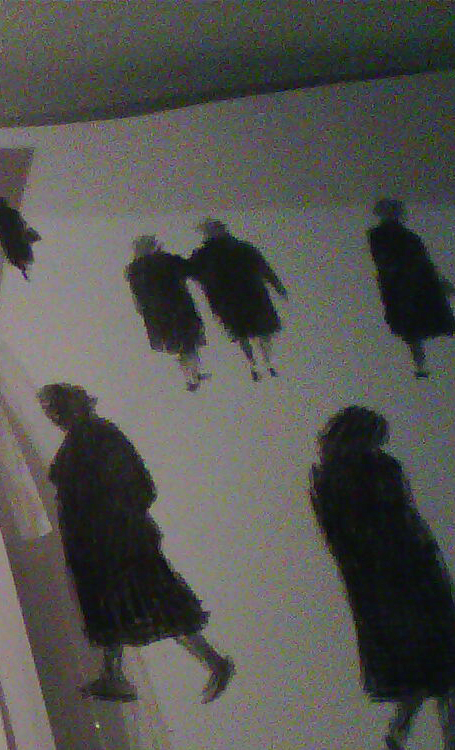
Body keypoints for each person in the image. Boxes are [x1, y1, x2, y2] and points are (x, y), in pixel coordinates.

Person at [310, 406, 455, 750]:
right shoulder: (362, 473)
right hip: (400, 569)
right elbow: (400, 517)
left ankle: (411, 735)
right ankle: (441, 741)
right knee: (439, 654)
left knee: (424, 657)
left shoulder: (337, 476)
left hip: (388, 573)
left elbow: (347, 534)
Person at [39, 383, 234, 703]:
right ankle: (114, 675)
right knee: (112, 608)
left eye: (56, 409)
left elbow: (140, 486)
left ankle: (214, 663)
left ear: (73, 405)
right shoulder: (80, 441)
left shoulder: (101, 437)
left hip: (121, 542)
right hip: (97, 546)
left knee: (157, 604)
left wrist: (116, 518)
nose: (54, 417)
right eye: (50, 412)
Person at [368, 198, 455, 378]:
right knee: (413, 329)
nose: (396, 215)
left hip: (419, 282)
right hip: (401, 286)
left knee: (441, 322)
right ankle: (422, 367)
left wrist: (441, 282)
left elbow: (424, 261)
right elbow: (385, 261)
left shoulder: (409, 237)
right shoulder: (380, 235)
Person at [185, 218, 287, 381]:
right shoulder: (240, 248)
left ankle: (257, 364)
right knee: (259, 331)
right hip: (249, 295)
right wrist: (277, 286)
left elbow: (192, 273)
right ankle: (263, 363)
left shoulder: (204, 255)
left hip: (228, 300)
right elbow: (263, 268)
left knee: (244, 334)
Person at [125, 234, 208, 391]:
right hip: (178, 307)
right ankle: (192, 374)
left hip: (157, 316)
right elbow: (190, 269)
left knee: (180, 345)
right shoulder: (165, 260)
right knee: (188, 343)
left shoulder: (134, 271)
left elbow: (138, 301)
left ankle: (191, 376)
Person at [0, 196, 41, 279]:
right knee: (16, 248)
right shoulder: (12, 213)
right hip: (14, 236)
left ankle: (23, 267)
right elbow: (21, 224)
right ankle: (23, 267)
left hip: (9, 237)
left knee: (14, 249)